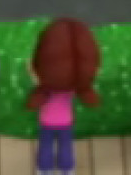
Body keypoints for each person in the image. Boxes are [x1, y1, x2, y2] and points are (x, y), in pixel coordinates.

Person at [28, 19, 102, 175]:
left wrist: (32, 70)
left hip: (46, 121)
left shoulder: (45, 89)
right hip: (66, 121)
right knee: (65, 146)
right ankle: (66, 169)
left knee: (46, 145)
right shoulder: (73, 87)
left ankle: (44, 169)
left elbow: (36, 80)